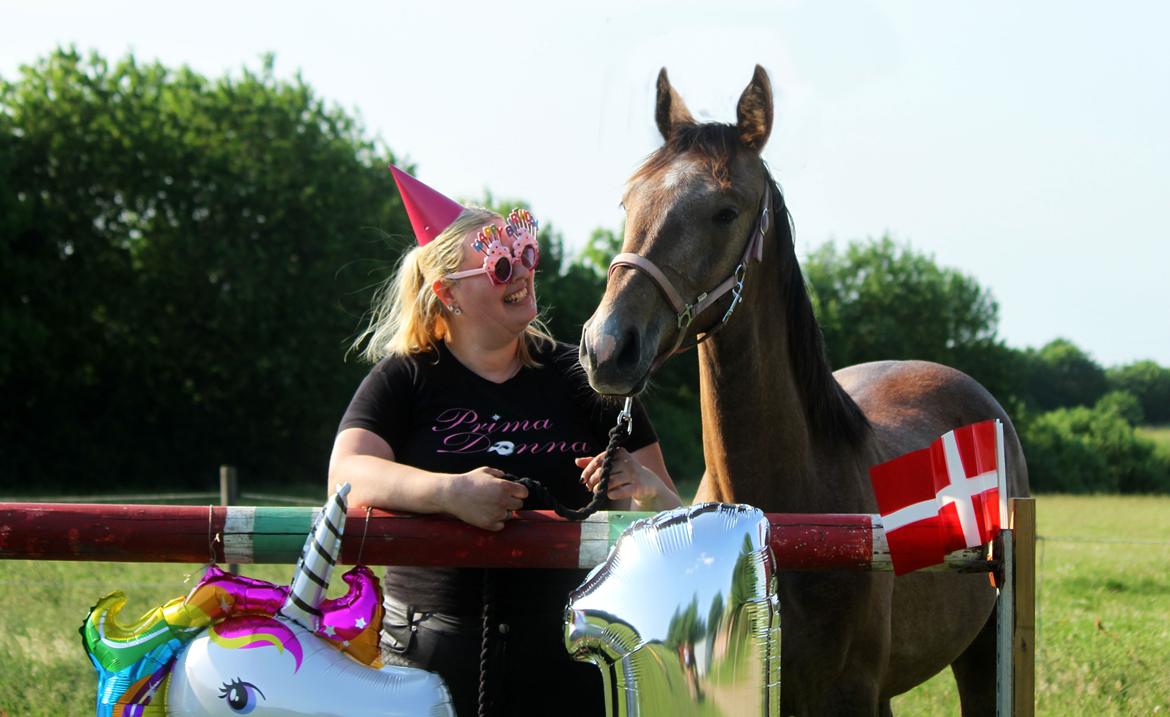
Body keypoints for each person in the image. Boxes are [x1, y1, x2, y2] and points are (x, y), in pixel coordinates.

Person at [328, 165, 681, 716]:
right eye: (499, 266)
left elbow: (671, 515)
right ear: (448, 294)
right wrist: (449, 493)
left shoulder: (581, 374)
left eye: (525, 255)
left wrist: (643, 489)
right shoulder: (406, 377)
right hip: (428, 652)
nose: (522, 274)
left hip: (574, 649)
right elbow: (347, 474)